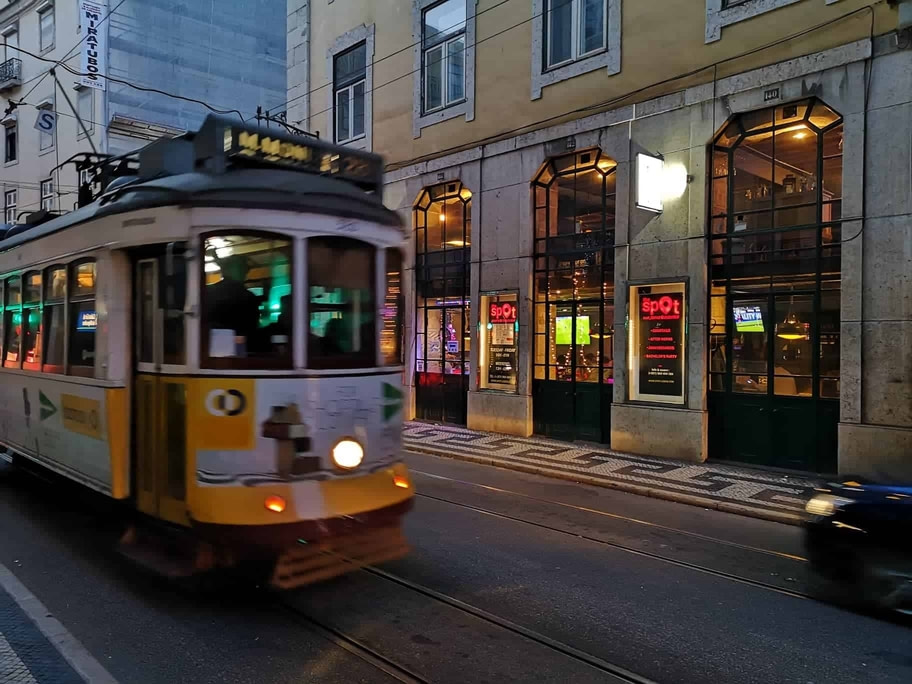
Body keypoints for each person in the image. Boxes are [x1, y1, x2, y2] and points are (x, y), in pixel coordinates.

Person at [206, 254, 261, 354]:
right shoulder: (247, 296)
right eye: (243, 269)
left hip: (209, 350)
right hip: (239, 349)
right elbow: (252, 329)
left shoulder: (208, 291)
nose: (245, 273)